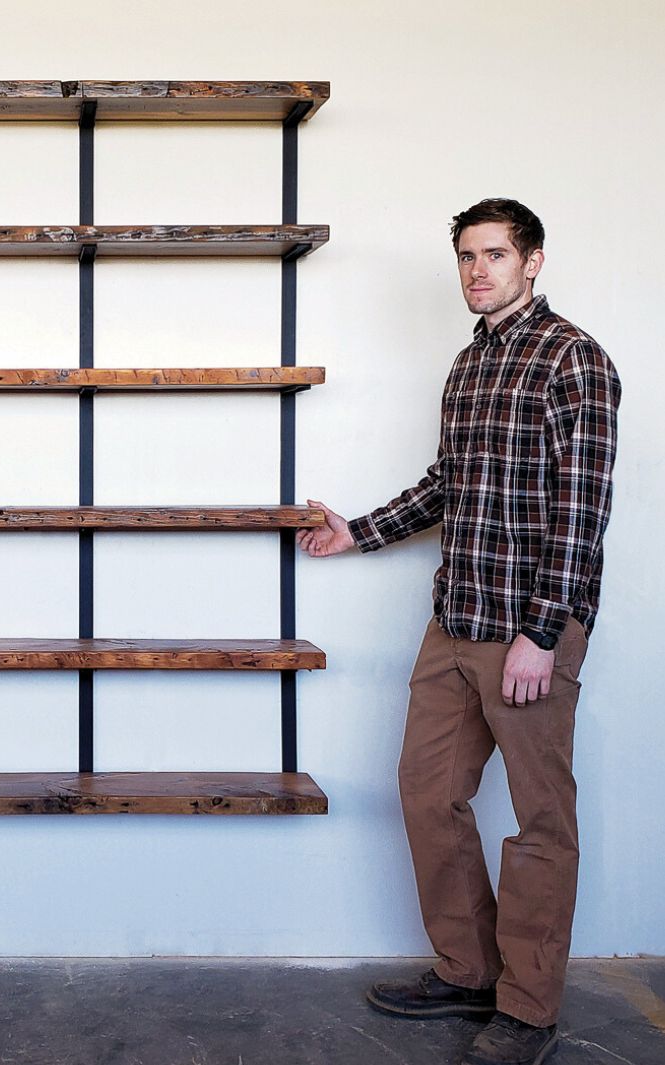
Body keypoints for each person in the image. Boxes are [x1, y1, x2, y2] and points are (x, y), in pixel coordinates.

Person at [297, 198, 621, 1065]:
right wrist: (354, 531)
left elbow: (581, 509)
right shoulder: (469, 363)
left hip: (526, 628)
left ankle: (527, 1006)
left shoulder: (574, 361)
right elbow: (447, 484)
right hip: (454, 618)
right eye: (467, 257)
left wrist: (542, 633)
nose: (478, 271)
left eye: (495, 255)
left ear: (533, 261)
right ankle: (468, 968)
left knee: (539, 819)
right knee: (425, 792)